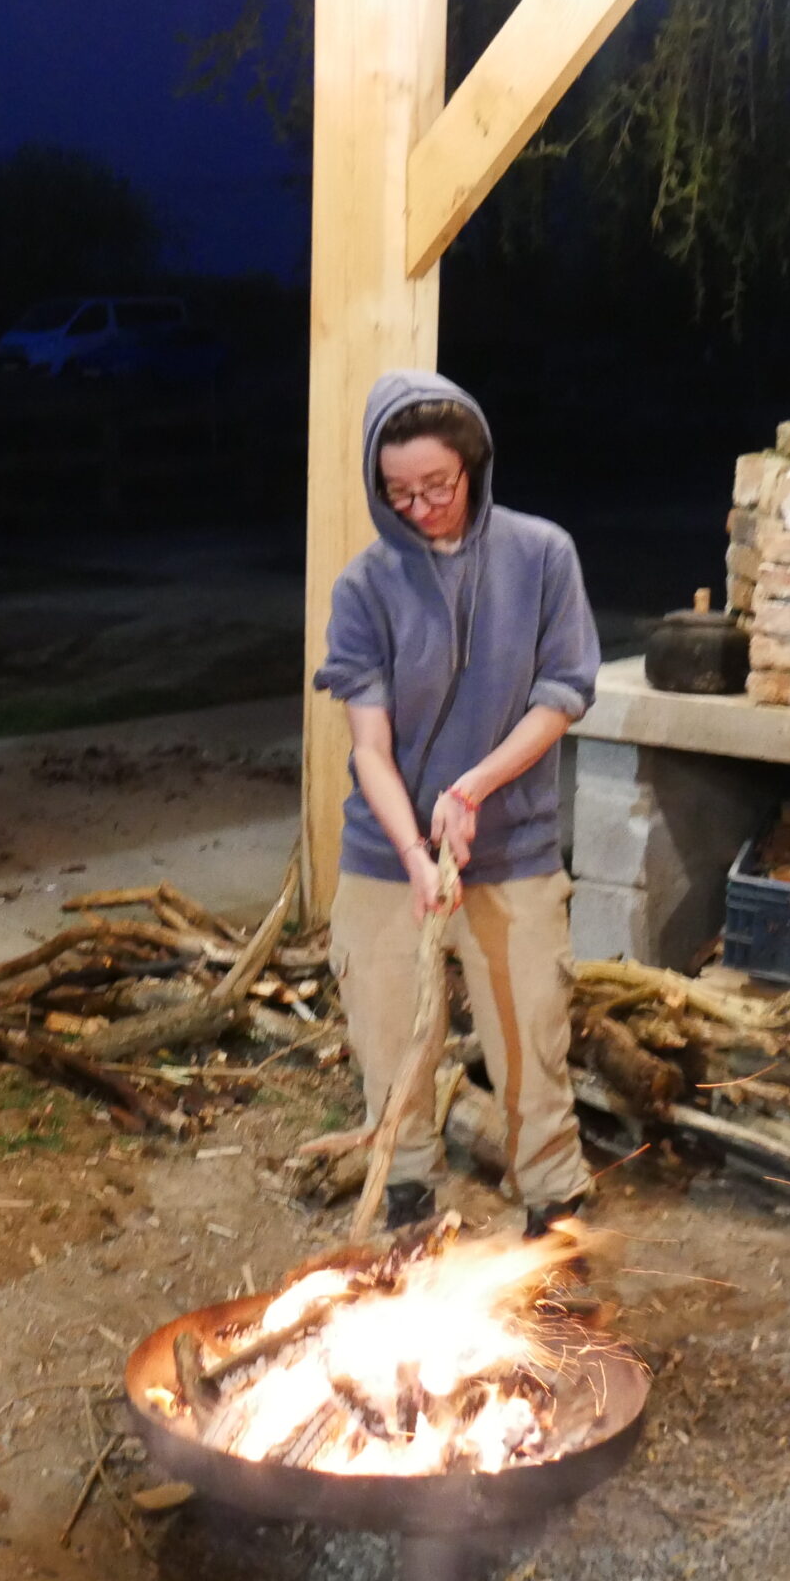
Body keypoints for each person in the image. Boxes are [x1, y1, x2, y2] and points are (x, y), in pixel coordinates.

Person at [313, 372, 601, 1238]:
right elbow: (370, 748)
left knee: (531, 1043)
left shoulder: (541, 556)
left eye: (438, 485)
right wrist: (412, 853)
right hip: (386, 855)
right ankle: (409, 1207)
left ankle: (552, 1213)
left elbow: (560, 696)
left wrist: (471, 788)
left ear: (473, 463)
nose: (422, 508)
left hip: (513, 849)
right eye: (399, 493)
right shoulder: (364, 588)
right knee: (391, 1044)